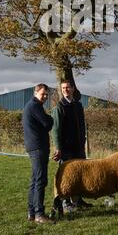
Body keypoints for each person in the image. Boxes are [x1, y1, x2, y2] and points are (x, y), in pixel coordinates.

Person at [51, 79, 92, 210]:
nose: (65, 90)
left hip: (78, 147)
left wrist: (83, 141)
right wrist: (58, 148)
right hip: (66, 149)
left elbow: (81, 126)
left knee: (80, 174)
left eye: (67, 88)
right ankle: (66, 202)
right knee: (67, 176)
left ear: (73, 89)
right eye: (63, 88)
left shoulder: (78, 105)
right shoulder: (59, 107)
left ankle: (78, 200)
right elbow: (56, 130)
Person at [22, 83, 55, 224]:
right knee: (41, 180)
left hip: (33, 146)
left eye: (47, 94)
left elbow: (44, 123)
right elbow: (48, 124)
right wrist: (51, 118)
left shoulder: (31, 106)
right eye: (43, 94)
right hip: (38, 147)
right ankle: (39, 214)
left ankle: (31, 212)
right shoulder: (35, 106)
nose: (45, 97)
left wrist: (47, 119)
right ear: (35, 93)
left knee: (35, 180)